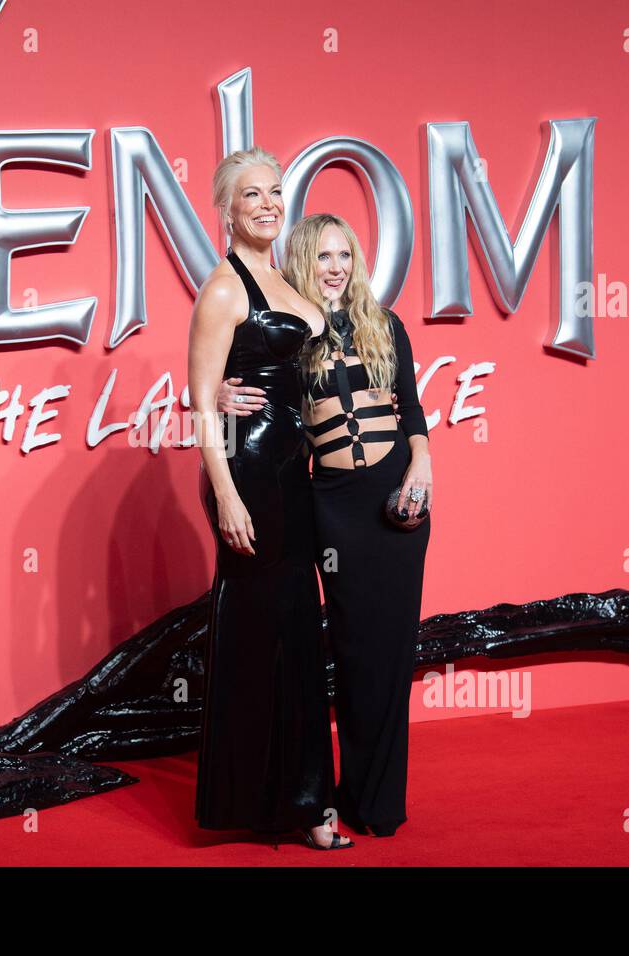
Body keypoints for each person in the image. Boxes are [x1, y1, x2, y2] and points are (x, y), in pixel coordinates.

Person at [216, 212, 433, 836]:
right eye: (322, 257)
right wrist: (217, 397)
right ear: (304, 263)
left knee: (391, 654)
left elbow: (412, 408)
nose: (335, 268)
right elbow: (232, 382)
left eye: (344, 256)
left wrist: (422, 464)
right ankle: (333, 791)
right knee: (351, 650)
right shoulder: (294, 337)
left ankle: (378, 802)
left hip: (394, 496)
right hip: (331, 503)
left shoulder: (385, 325)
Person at [188, 150, 353, 851]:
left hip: (297, 473)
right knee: (260, 635)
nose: (266, 205)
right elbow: (200, 406)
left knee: (296, 632)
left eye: (275, 192)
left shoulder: (287, 279)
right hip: (246, 470)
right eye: (250, 195)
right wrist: (225, 495)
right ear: (227, 210)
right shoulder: (224, 289)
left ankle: (302, 794)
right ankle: (268, 804)